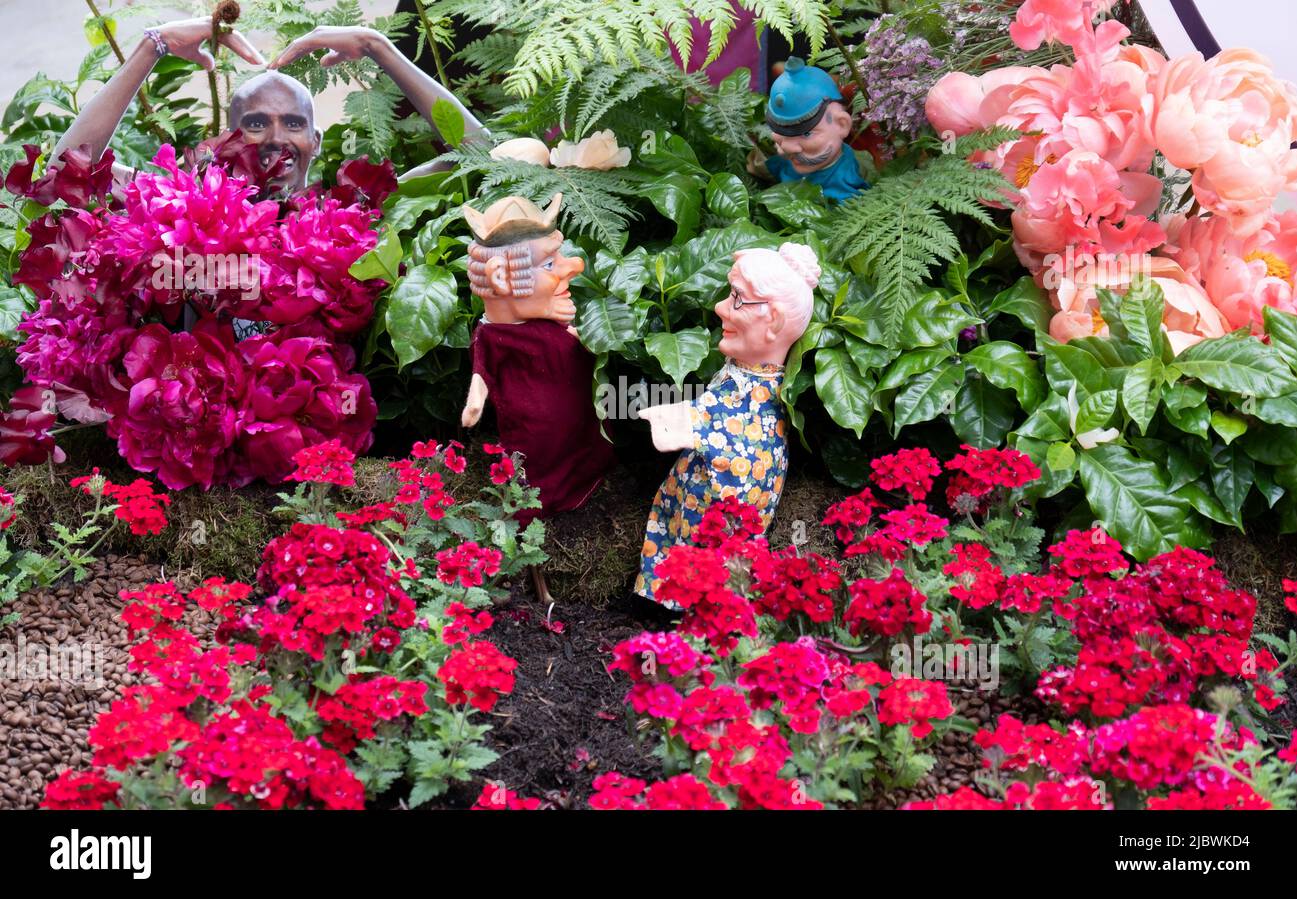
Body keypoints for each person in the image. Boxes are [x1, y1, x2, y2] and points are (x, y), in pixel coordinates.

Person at [52, 17, 485, 193]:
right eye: (257, 123)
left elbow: (487, 160)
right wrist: (153, 47)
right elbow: (64, 173)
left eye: (294, 123)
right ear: (225, 142)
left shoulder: (358, 215)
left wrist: (378, 46)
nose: (277, 139)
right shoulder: (178, 214)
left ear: (315, 140)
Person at [634, 242, 819, 608]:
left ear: (775, 322)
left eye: (736, 299)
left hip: (722, 492)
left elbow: (740, 430)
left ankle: (688, 608)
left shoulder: (759, 388)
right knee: (682, 535)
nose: (720, 308)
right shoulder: (740, 371)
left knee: (701, 551)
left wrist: (683, 422)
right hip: (702, 481)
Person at [460, 193, 617, 602]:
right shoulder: (493, 335)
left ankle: (573, 504)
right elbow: (483, 374)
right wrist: (475, 403)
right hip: (531, 431)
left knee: (586, 453)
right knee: (529, 486)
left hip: (576, 421)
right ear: (501, 279)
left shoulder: (552, 326)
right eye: (550, 264)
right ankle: (523, 570)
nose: (572, 268)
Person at [760, 58, 868, 203]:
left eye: (806, 133)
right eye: (782, 132)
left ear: (842, 125)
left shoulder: (845, 184)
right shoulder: (791, 162)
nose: (787, 146)